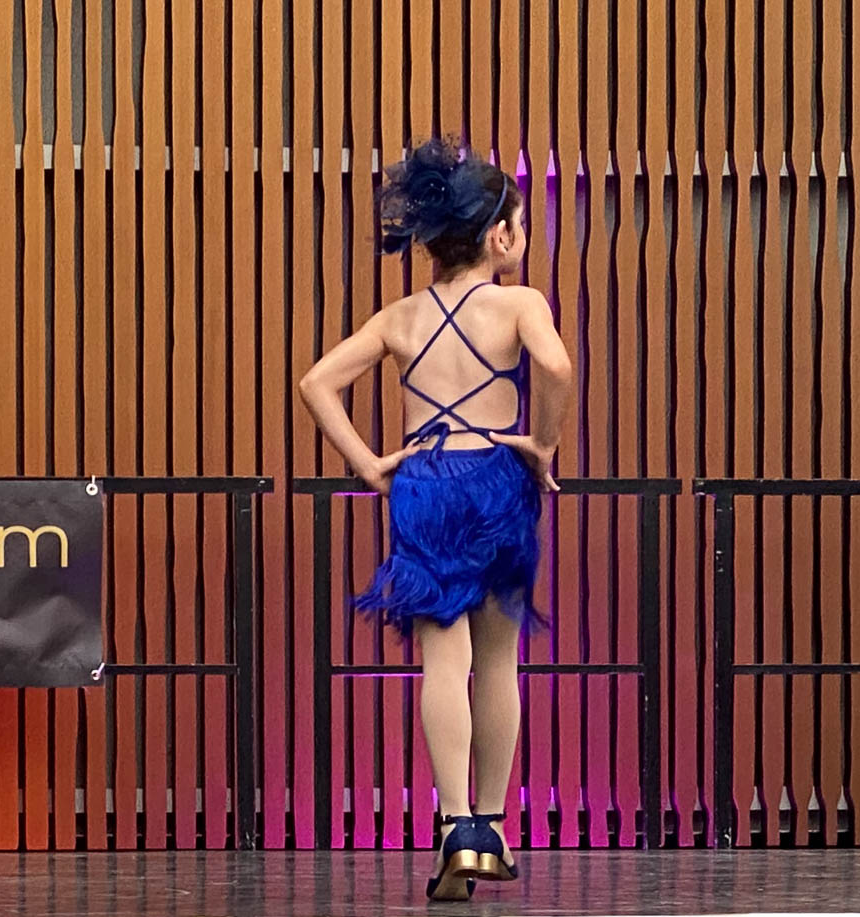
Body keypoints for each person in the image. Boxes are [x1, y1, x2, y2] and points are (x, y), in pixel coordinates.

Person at [298, 137, 573, 902]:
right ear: (501, 235)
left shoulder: (400, 317)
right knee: (500, 659)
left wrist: (369, 463)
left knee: (442, 663)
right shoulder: (520, 304)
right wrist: (543, 442)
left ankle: (454, 825)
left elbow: (316, 382)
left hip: (424, 480)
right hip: (498, 476)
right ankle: (492, 823)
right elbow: (555, 366)